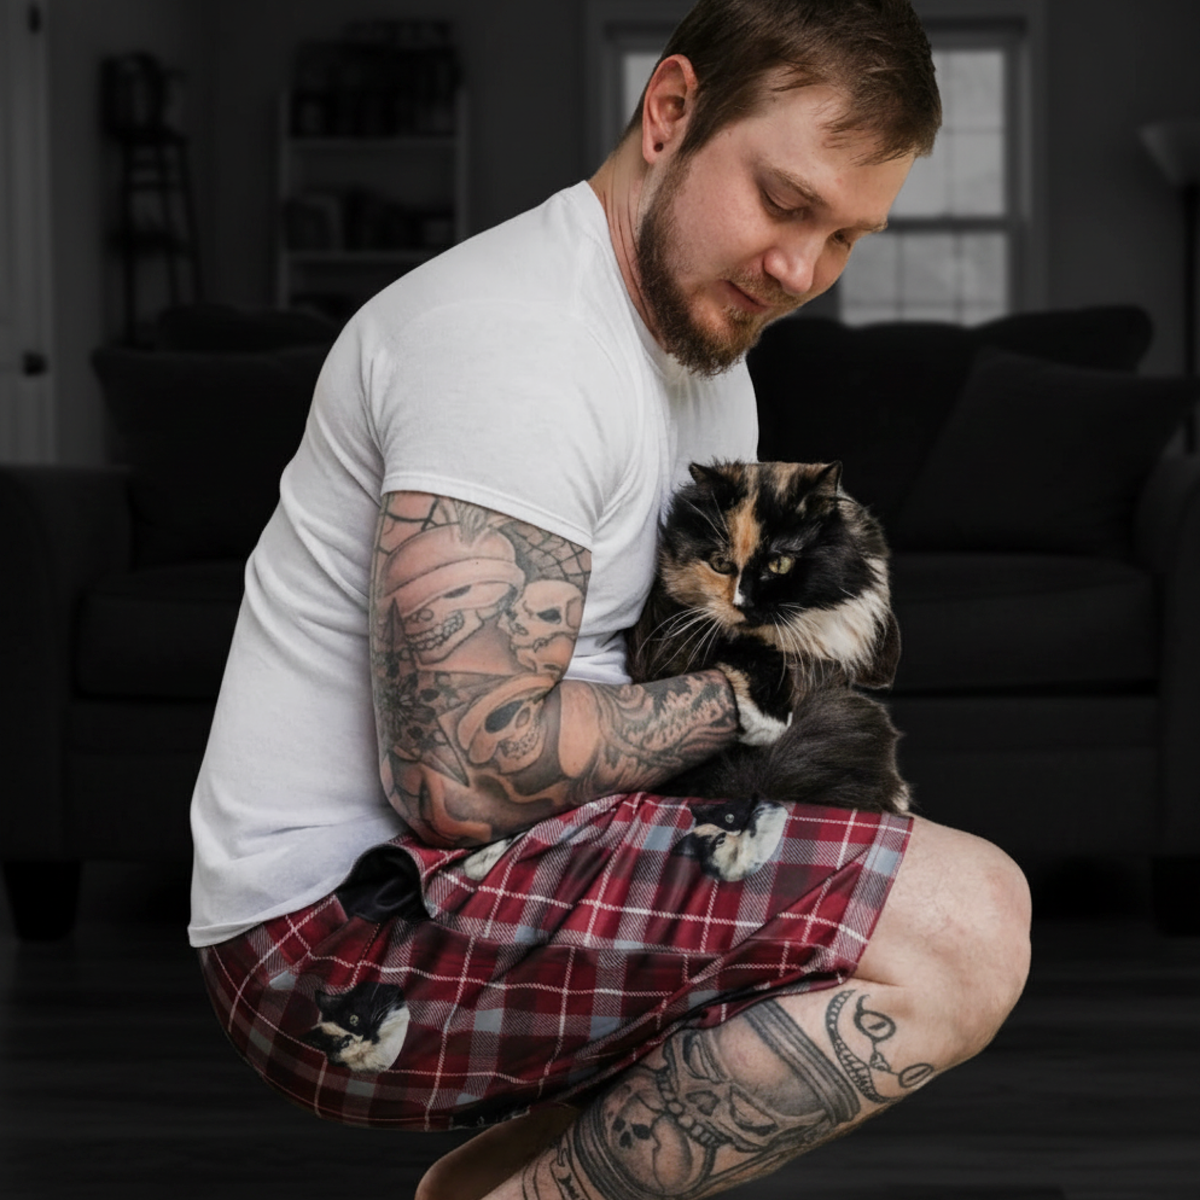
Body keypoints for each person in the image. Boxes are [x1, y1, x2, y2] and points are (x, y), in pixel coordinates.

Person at [189, 2, 1032, 1197]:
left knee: (885, 856)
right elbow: (461, 776)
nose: (802, 272)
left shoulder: (707, 363)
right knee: (964, 921)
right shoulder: (515, 344)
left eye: (847, 236)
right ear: (672, 110)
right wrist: (747, 698)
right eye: (785, 203)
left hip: (500, 860)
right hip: (339, 934)